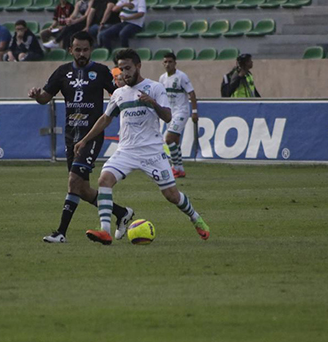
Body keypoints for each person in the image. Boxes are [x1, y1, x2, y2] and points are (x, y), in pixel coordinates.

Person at [74, 49, 210, 245]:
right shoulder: (119, 93)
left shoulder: (154, 88)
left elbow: (167, 117)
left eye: (128, 68)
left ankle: (196, 217)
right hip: (126, 150)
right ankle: (105, 231)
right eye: (121, 69)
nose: (124, 73)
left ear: (138, 66)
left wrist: (152, 102)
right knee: (104, 179)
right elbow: (105, 119)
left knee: (172, 195)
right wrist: (85, 140)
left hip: (152, 152)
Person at [28, 31, 134, 244]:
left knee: (73, 181)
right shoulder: (62, 73)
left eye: (85, 49)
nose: (82, 53)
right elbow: (45, 98)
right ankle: (122, 213)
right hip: (71, 136)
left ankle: (61, 233)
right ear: (70, 50)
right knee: (82, 189)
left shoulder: (101, 71)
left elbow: (120, 94)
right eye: (78, 49)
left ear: (91, 50)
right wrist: (37, 95)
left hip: (91, 135)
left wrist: (122, 84)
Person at [159, 52, 198, 178]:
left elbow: (191, 94)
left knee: (168, 138)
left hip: (181, 111)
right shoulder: (162, 78)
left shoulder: (181, 76)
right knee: (175, 141)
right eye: (165, 62)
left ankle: (175, 167)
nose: (168, 64)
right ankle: (180, 168)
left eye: (170, 62)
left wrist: (194, 112)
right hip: (170, 113)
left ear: (175, 63)